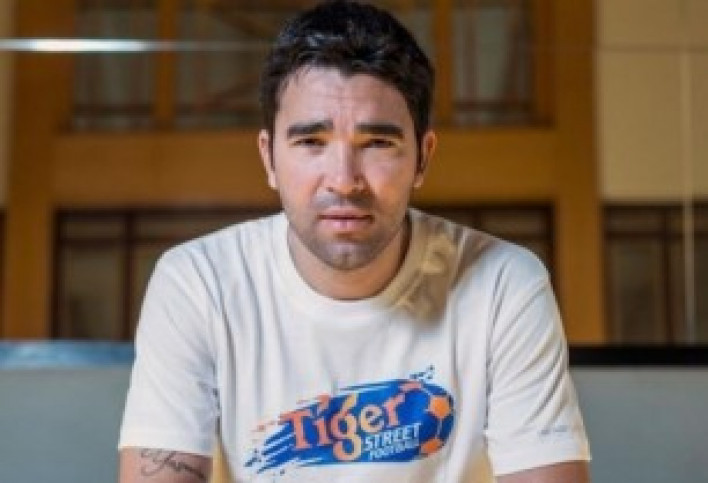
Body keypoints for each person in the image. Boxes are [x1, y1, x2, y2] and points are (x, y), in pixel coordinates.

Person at [118, 1, 591, 481]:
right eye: (311, 143)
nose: (344, 181)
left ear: (423, 157)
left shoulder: (502, 285)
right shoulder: (199, 284)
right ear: (269, 158)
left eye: (377, 144)